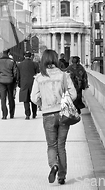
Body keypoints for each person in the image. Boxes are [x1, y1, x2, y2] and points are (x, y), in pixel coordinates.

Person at [31, 49, 76, 185]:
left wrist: (42, 103)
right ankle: (62, 176)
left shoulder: (39, 77)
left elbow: (33, 98)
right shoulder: (64, 76)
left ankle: (54, 166)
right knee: (61, 146)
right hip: (63, 114)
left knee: (52, 145)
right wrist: (64, 101)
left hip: (48, 114)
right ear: (56, 59)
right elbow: (73, 94)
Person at [0, 49, 18, 119]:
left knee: (3, 99)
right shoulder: (12, 61)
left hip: (1, 81)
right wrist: (14, 80)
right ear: (9, 53)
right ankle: (11, 114)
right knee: (11, 97)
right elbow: (15, 72)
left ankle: (4, 115)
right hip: (10, 81)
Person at [17, 51, 40, 119]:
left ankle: (27, 114)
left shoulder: (20, 65)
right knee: (33, 98)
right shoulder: (35, 64)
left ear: (24, 56)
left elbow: (18, 75)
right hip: (33, 83)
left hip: (24, 83)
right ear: (31, 56)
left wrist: (19, 83)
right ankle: (34, 113)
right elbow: (38, 74)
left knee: (25, 99)